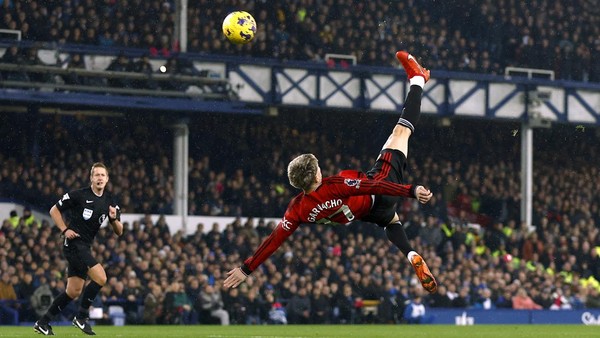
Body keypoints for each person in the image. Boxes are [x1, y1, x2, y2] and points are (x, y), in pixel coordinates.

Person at [224, 51, 438, 296]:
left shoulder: (298, 209)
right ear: (316, 176)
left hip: (370, 213)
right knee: (400, 132)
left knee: (391, 220)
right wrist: (410, 191)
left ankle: (410, 253)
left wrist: (247, 268)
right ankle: (417, 80)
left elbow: (274, 240)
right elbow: (372, 186)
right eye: (317, 168)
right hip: (381, 189)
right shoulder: (334, 184)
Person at [33, 162, 123, 336]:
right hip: (74, 244)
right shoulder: (79, 195)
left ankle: (42, 323)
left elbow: (119, 232)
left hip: (85, 246)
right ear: (91, 178)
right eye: (96, 175)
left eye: (102, 175)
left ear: (107, 179)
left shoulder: (109, 201)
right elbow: (54, 210)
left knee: (73, 291)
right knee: (101, 277)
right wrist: (65, 230)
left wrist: (114, 219)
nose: (99, 178)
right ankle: (81, 318)